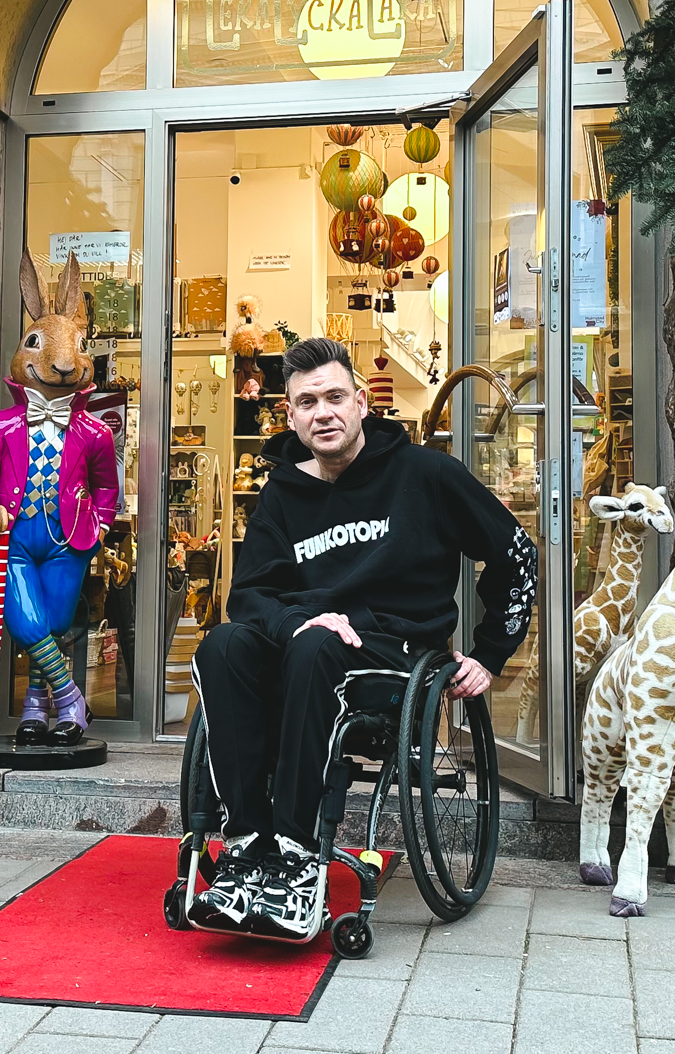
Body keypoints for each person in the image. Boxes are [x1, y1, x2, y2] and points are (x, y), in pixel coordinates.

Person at [190, 337, 538, 940]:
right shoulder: (280, 495)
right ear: (291, 416)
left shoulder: (426, 474)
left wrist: (488, 654)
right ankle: (246, 844)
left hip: (394, 654)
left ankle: (297, 858)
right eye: (306, 402)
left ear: (360, 404)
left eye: (333, 397)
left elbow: (516, 554)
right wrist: (300, 621)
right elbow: (247, 596)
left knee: (316, 648)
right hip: (305, 644)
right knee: (222, 646)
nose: (321, 412)